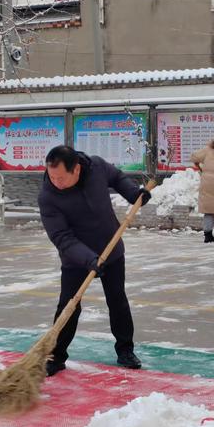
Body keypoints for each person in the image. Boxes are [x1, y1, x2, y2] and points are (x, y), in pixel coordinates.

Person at [38, 145, 151, 376]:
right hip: (76, 258)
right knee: (68, 306)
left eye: (60, 177)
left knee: (117, 300)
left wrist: (133, 194)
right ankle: (56, 355)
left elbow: (117, 177)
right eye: (52, 176)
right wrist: (88, 259)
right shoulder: (48, 197)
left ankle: (125, 350)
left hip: (112, 250)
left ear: (76, 169)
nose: (55, 182)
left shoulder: (97, 167)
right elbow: (61, 237)